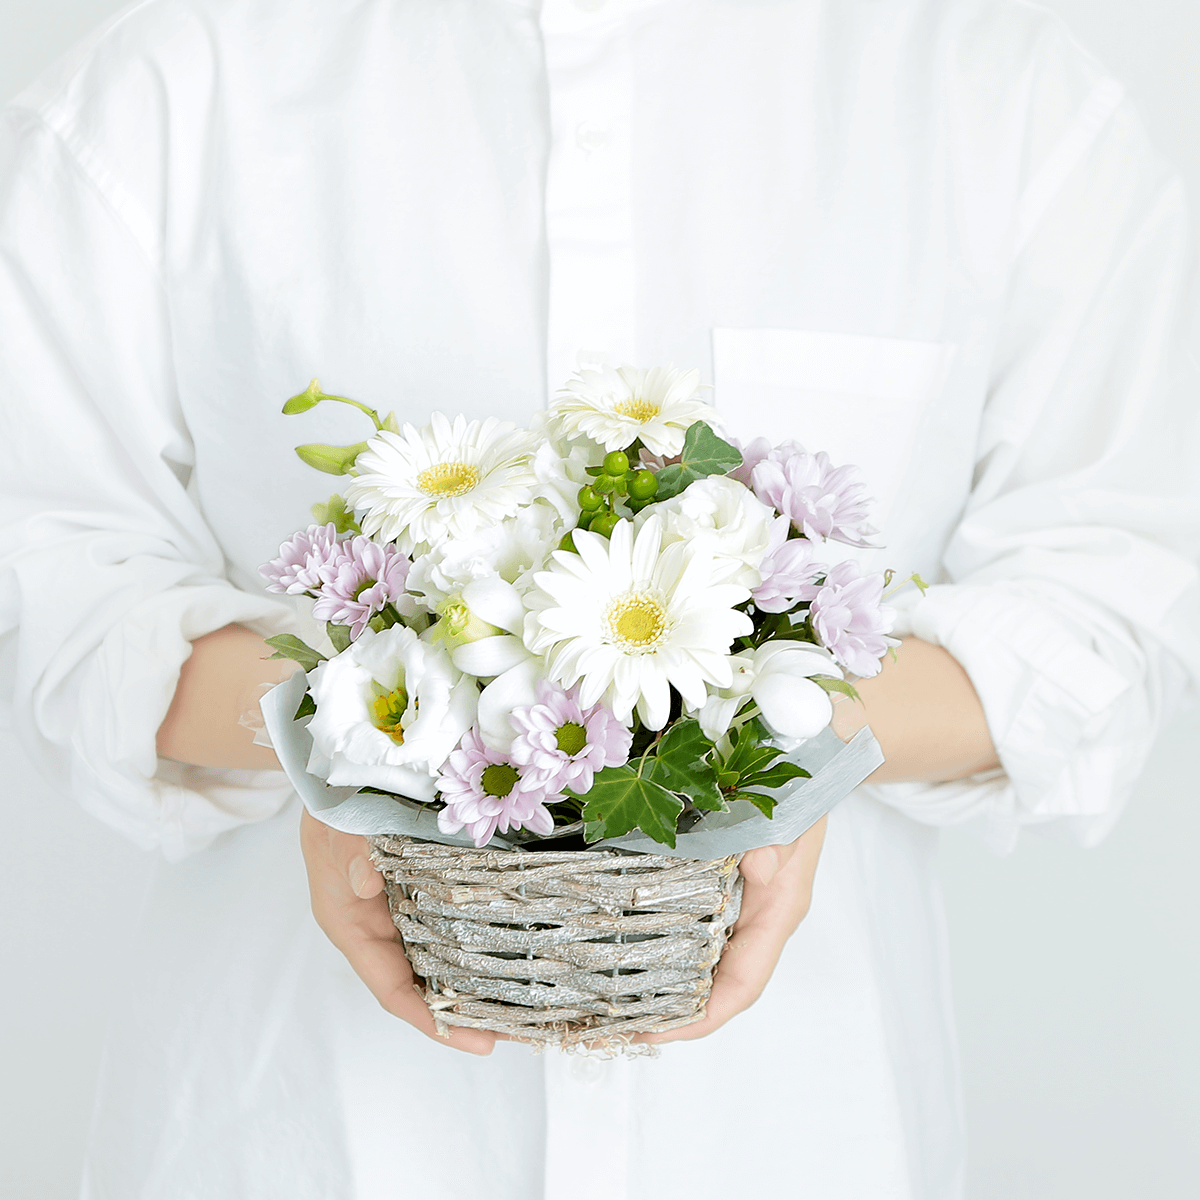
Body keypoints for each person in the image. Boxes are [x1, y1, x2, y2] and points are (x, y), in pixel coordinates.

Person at [3, 0, 1198, 1196]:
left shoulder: (1005, 96)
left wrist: (778, 745)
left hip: (797, 1138)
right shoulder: (175, 79)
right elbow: (50, 579)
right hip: (304, 1139)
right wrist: (359, 734)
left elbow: (1111, 607)